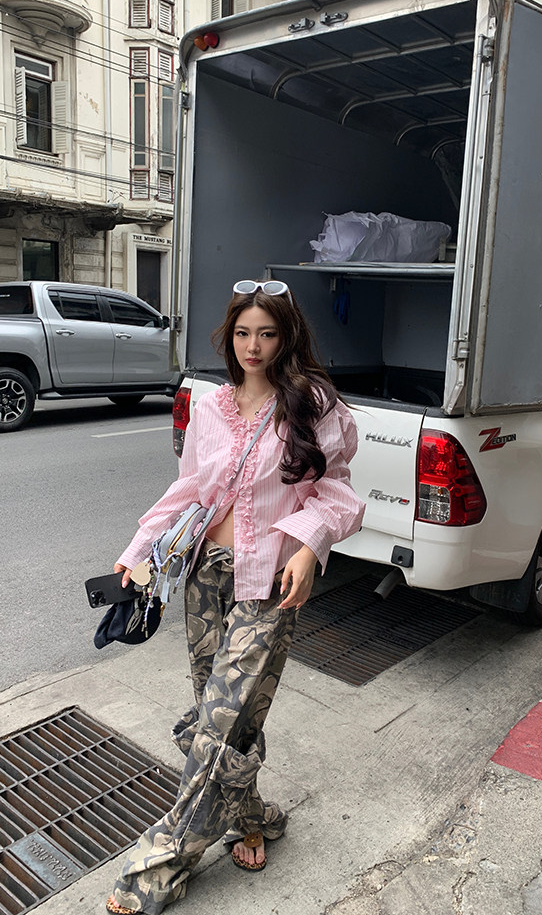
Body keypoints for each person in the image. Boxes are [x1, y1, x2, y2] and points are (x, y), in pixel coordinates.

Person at [106, 279, 365, 915]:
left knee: (221, 722)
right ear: (230, 338)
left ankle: (158, 868)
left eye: (267, 334)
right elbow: (189, 490)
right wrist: (139, 549)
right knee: (218, 715)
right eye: (244, 333)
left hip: (268, 583)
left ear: (287, 337)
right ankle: (252, 818)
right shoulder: (212, 405)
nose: (254, 346)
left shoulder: (314, 406)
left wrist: (308, 547)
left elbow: (336, 491)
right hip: (205, 575)